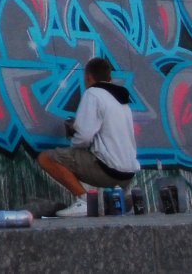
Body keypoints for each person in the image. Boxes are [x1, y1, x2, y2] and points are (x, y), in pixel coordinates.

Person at [37, 57, 139, 217]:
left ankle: (85, 202)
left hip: (108, 171)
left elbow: (84, 137)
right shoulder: (121, 100)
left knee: (46, 158)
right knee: (91, 157)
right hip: (128, 175)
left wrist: (74, 140)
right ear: (109, 78)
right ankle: (116, 199)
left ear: (88, 77)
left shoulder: (93, 94)